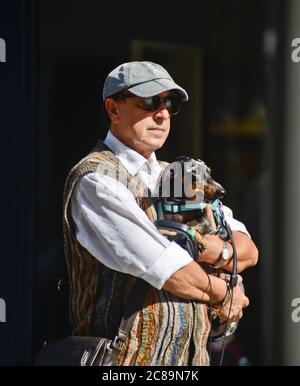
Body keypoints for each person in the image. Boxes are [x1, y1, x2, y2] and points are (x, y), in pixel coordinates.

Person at [62, 61, 258, 366]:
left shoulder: (180, 175)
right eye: (150, 101)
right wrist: (227, 291)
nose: (163, 112)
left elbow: (247, 249)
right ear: (114, 110)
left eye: (171, 102)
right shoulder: (96, 179)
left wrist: (208, 249)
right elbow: (169, 270)